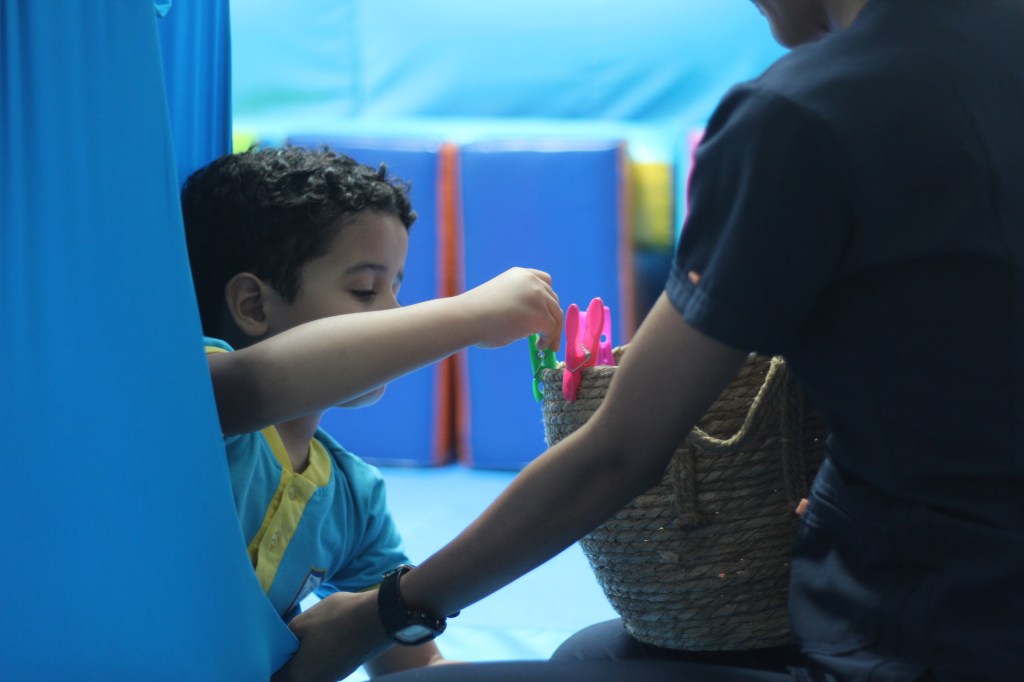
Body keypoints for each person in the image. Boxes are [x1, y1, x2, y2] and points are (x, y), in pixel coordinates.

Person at [272, 0, 1024, 679]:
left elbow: (621, 451)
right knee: (593, 653)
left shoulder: (801, 114)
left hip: (924, 629)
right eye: (367, 292)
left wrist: (389, 609)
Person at [180, 146, 563, 677]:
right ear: (253, 306)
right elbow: (253, 386)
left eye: (396, 288)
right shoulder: (189, 397)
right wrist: (471, 315)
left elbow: (410, 659)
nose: (393, 315)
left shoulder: (352, 500)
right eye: (364, 290)